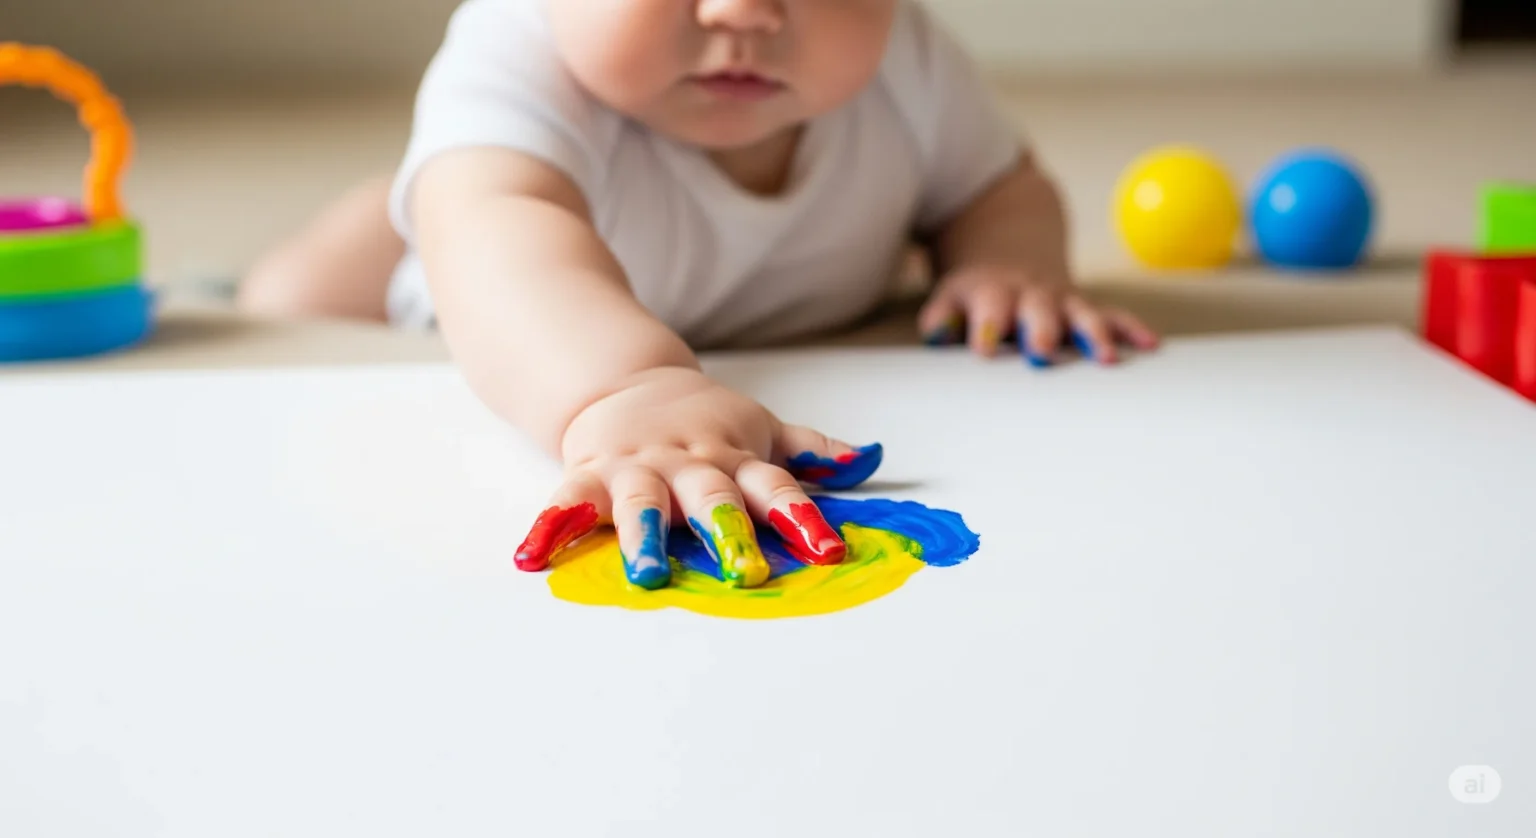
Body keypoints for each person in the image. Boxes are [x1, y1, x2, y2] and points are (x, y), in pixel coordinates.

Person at [237, 0, 1160, 591]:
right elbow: (498, 227)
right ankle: (387, 213)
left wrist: (1004, 261)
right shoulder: (519, 47)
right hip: (490, 296)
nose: (743, 11)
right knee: (312, 282)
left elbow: (1002, 187)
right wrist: (624, 391)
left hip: (756, 302)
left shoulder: (910, 61)